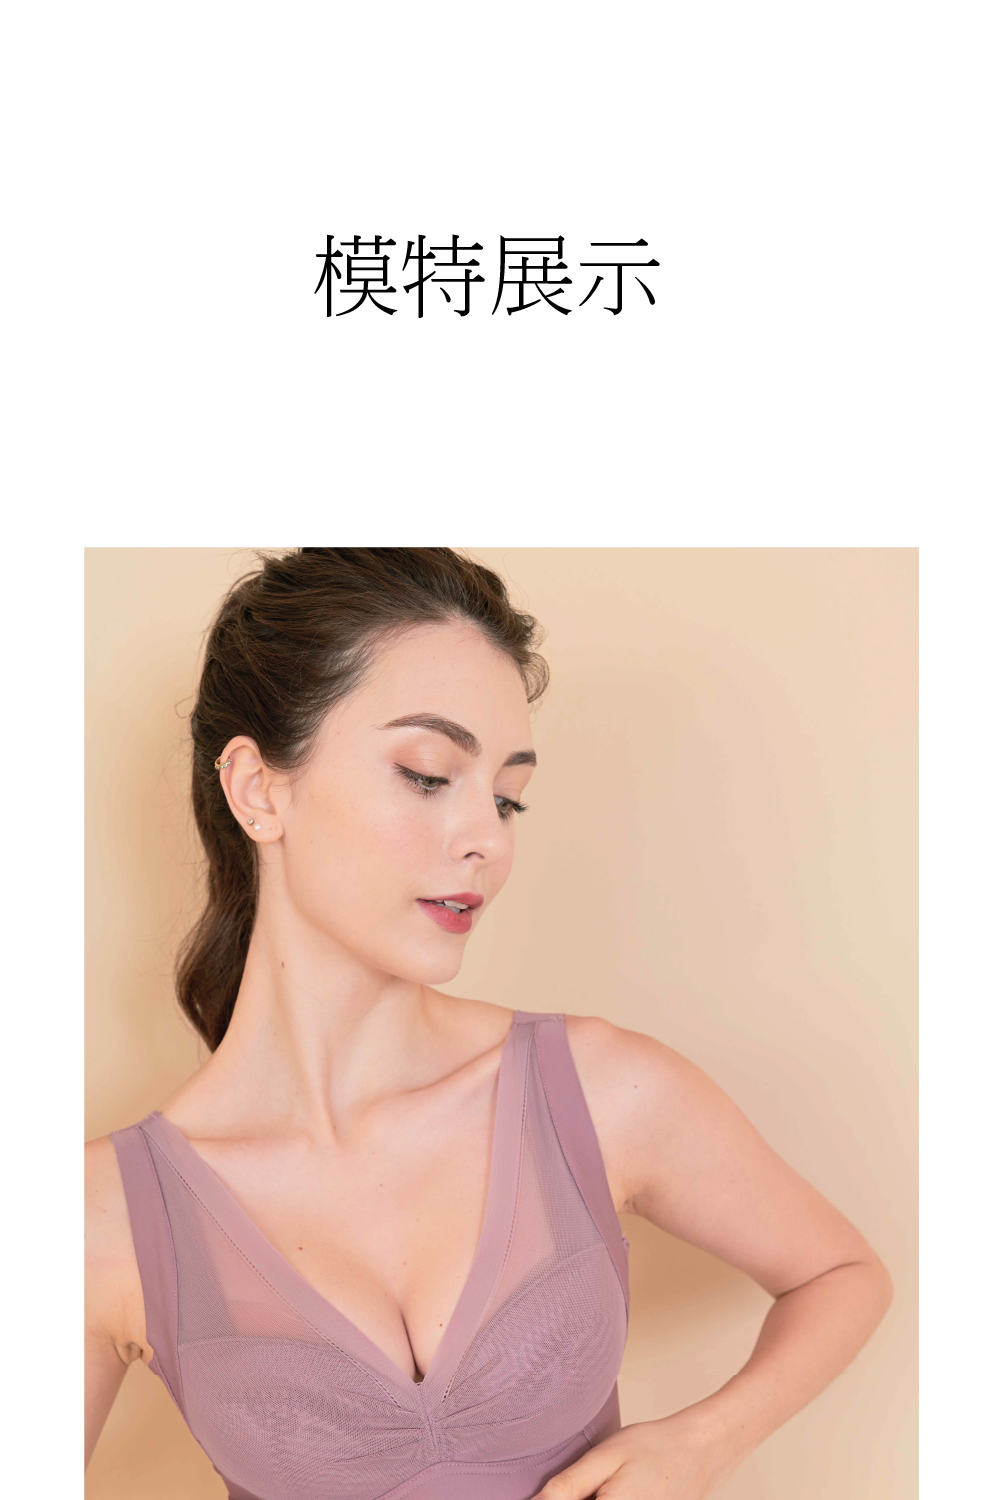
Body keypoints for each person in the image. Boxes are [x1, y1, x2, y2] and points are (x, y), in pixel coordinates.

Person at [84, 547, 893, 1499]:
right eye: (429, 775)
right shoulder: (113, 1218)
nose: (488, 839)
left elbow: (843, 1273)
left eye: (507, 797)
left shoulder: (599, 1090)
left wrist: (700, 1443)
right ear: (259, 789)